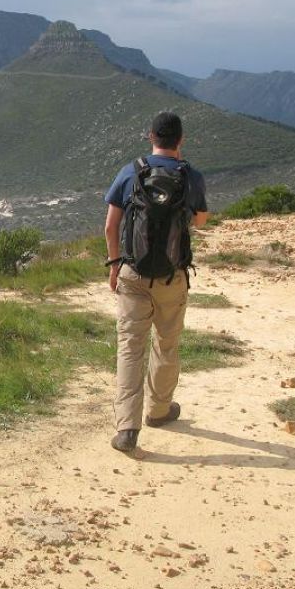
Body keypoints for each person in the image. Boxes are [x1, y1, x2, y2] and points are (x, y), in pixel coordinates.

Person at [103, 111, 208, 453]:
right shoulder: (190, 175)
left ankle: (127, 429)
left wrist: (115, 264)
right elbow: (202, 221)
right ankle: (159, 411)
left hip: (133, 273)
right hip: (171, 277)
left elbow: (110, 226)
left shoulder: (131, 171)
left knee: (130, 347)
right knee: (166, 343)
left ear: (151, 136)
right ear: (181, 140)